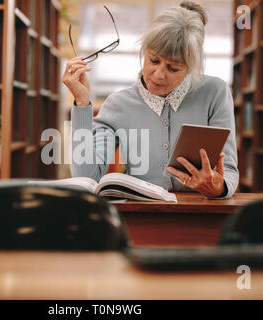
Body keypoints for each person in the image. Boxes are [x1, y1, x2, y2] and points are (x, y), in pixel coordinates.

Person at [62, 1, 239, 199]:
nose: (159, 75)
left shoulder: (215, 93)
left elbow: (229, 171)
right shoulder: (118, 105)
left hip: (201, 214)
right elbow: (87, 177)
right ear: (144, 52)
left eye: (174, 68)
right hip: (141, 215)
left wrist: (219, 187)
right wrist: (81, 102)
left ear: (191, 67)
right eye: (153, 60)